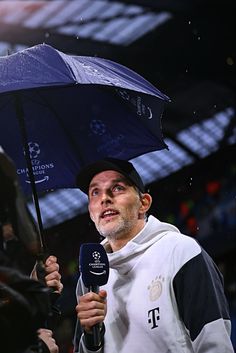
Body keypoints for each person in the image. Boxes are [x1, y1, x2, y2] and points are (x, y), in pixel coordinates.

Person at [73, 157, 234, 353]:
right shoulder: (89, 279)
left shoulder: (179, 251)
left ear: (144, 203)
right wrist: (91, 340)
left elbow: (215, 342)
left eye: (117, 188)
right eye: (94, 192)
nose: (104, 198)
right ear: (91, 211)